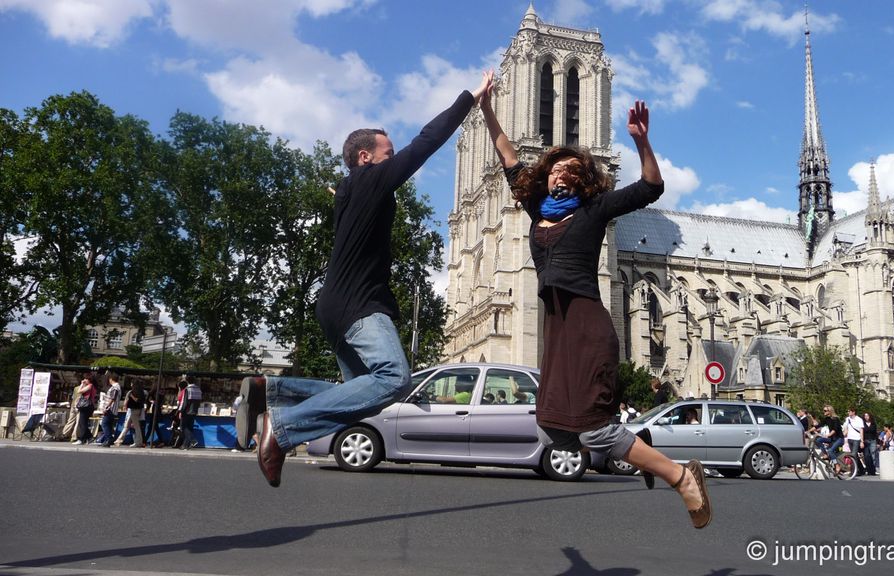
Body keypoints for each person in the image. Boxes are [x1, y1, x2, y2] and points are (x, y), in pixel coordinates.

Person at [478, 71, 710, 528]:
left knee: (593, 429)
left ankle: (681, 476)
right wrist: (486, 108)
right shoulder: (537, 209)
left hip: (586, 324)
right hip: (558, 326)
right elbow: (507, 154)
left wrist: (642, 141)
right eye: (554, 168)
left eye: (569, 169)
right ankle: (637, 448)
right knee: (552, 426)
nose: (559, 173)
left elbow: (651, 187)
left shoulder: (594, 210)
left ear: (582, 179)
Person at [238, 75, 491, 488]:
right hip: (359, 305)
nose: (393, 161)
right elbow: (426, 142)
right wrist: (470, 99)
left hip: (333, 307)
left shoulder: (350, 189)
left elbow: (346, 197)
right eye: (387, 154)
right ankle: (282, 429)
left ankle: (272, 390)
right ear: (364, 157)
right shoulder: (372, 180)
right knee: (394, 379)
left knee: (362, 396)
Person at [114, 380, 146, 447]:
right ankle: (118, 441)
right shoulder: (142, 392)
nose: (131, 384)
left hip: (134, 410)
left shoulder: (133, 392)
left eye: (131, 383)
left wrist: (131, 396)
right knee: (127, 426)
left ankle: (138, 442)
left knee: (136, 427)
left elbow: (136, 400)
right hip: (136, 410)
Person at [71, 373, 99, 445]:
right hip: (87, 406)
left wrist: (82, 384)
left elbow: (79, 391)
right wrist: (83, 384)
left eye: (86, 379)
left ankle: (82, 439)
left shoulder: (90, 386)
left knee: (82, 423)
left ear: (89, 380)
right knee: (83, 423)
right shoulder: (90, 386)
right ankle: (89, 438)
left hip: (86, 406)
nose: (84, 380)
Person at [95, 373, 122, 447]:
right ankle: (107, 440)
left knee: (104, 423)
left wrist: (107, 407)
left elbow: (112, 398)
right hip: (112, 409)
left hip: (111, 409)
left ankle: (109, 439)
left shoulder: (115, 387)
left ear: (111, 379)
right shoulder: (116, 387)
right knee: (109, 425)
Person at [179, 377, 202, 450]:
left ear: (187, 381)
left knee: (183, 427)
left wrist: (181, 411)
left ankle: (192, 440)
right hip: (194, 411)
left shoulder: (187, 389)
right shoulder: (198, 389)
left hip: (187, 411)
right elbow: (199, 401)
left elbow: (184, 402)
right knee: (189, 427)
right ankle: (185, 445)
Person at [861, 411, 878, 475]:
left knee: (873, 455)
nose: (866, 417)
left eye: (867, 416)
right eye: (865, 416)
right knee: (866, 455)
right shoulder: (862, 424)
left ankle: (873, 470)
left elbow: (875, 433)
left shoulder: (873, 424)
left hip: (873, 440)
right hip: (865, 441)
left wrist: (878, 442)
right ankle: (868, 469)